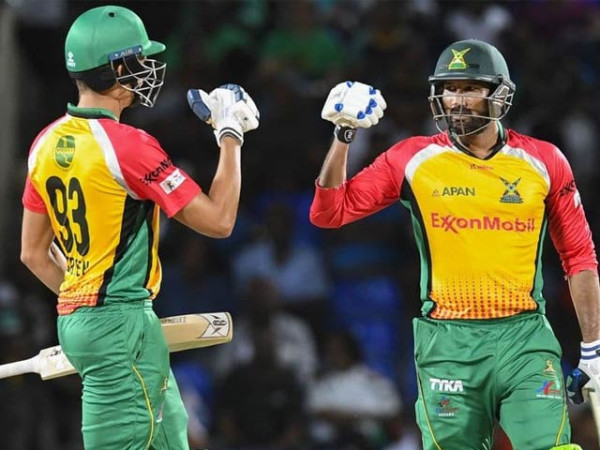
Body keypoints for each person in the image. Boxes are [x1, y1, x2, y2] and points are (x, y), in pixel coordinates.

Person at [310, 38, 599, 450]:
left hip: (525, 339)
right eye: (449, 89)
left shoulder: (544, 161)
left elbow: (579, 258)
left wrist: (593, 348)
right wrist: (344, 134)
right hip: (448, 343)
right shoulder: (412, 159)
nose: (457, 100)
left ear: (499, 95)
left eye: (470, 88)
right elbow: (329, 212)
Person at [20, 5, 259, 449]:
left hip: (91, 320)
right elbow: (219, 220)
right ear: (116, 69)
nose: (148, 69)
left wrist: (85, 306)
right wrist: (230, 134)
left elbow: (33, 253)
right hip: (120, 324)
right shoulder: (128, 146)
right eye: (139, 59)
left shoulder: (44, 143)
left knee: (171, 435)